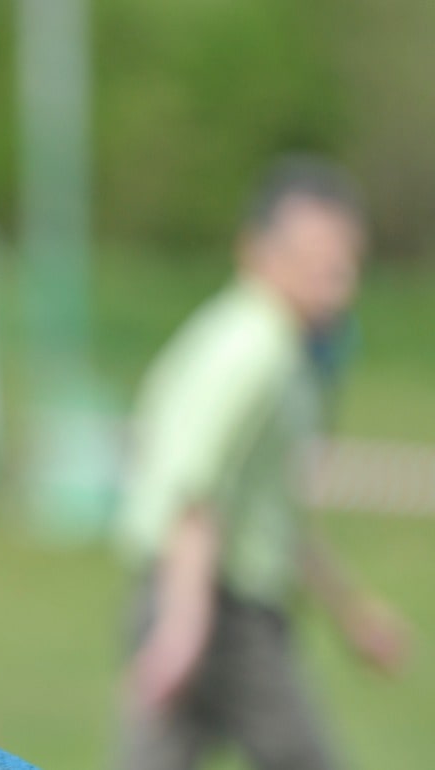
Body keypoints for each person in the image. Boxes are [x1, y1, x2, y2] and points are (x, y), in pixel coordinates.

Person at [113, 158, 409, 769]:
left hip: (207, 595)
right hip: (221, 608)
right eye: (316, 257)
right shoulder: (256, 348)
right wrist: (184, 627)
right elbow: (192, 489)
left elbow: (268, 507)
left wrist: (349, 611)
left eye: (346, 259)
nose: (339, 278)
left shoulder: (269, 341)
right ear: (259, 251)